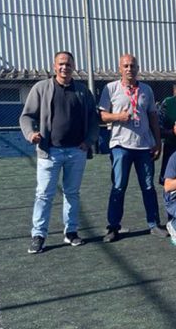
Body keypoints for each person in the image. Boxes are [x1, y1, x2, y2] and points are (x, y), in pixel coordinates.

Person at [19, 51, 99, 254]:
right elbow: (26, 116)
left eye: (69, 64)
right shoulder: (41, 88)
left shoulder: (82, 91)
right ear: (55, 66)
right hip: (49, 152)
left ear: (74, 67)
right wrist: (31, 134)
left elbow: (94, 120)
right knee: (44, 195)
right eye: (61, 64)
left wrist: (88, 142)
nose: (65, 67)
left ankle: (71, 232)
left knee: (72, 193)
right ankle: (39, 235)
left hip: (76, 152)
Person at [98, 54, 166, 242]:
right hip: (120, 146)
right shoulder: (110, 88)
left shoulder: (146, 90)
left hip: (144, 146)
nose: (130, 69)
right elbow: (102, 116)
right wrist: (117, 117)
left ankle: (154, 224)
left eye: (133, 66)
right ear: (120, 68)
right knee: (119, 186)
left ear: (138, 68)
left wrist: (157, 141)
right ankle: (113, 227)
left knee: (148, 186)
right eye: (126, 66)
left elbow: (152, 116)